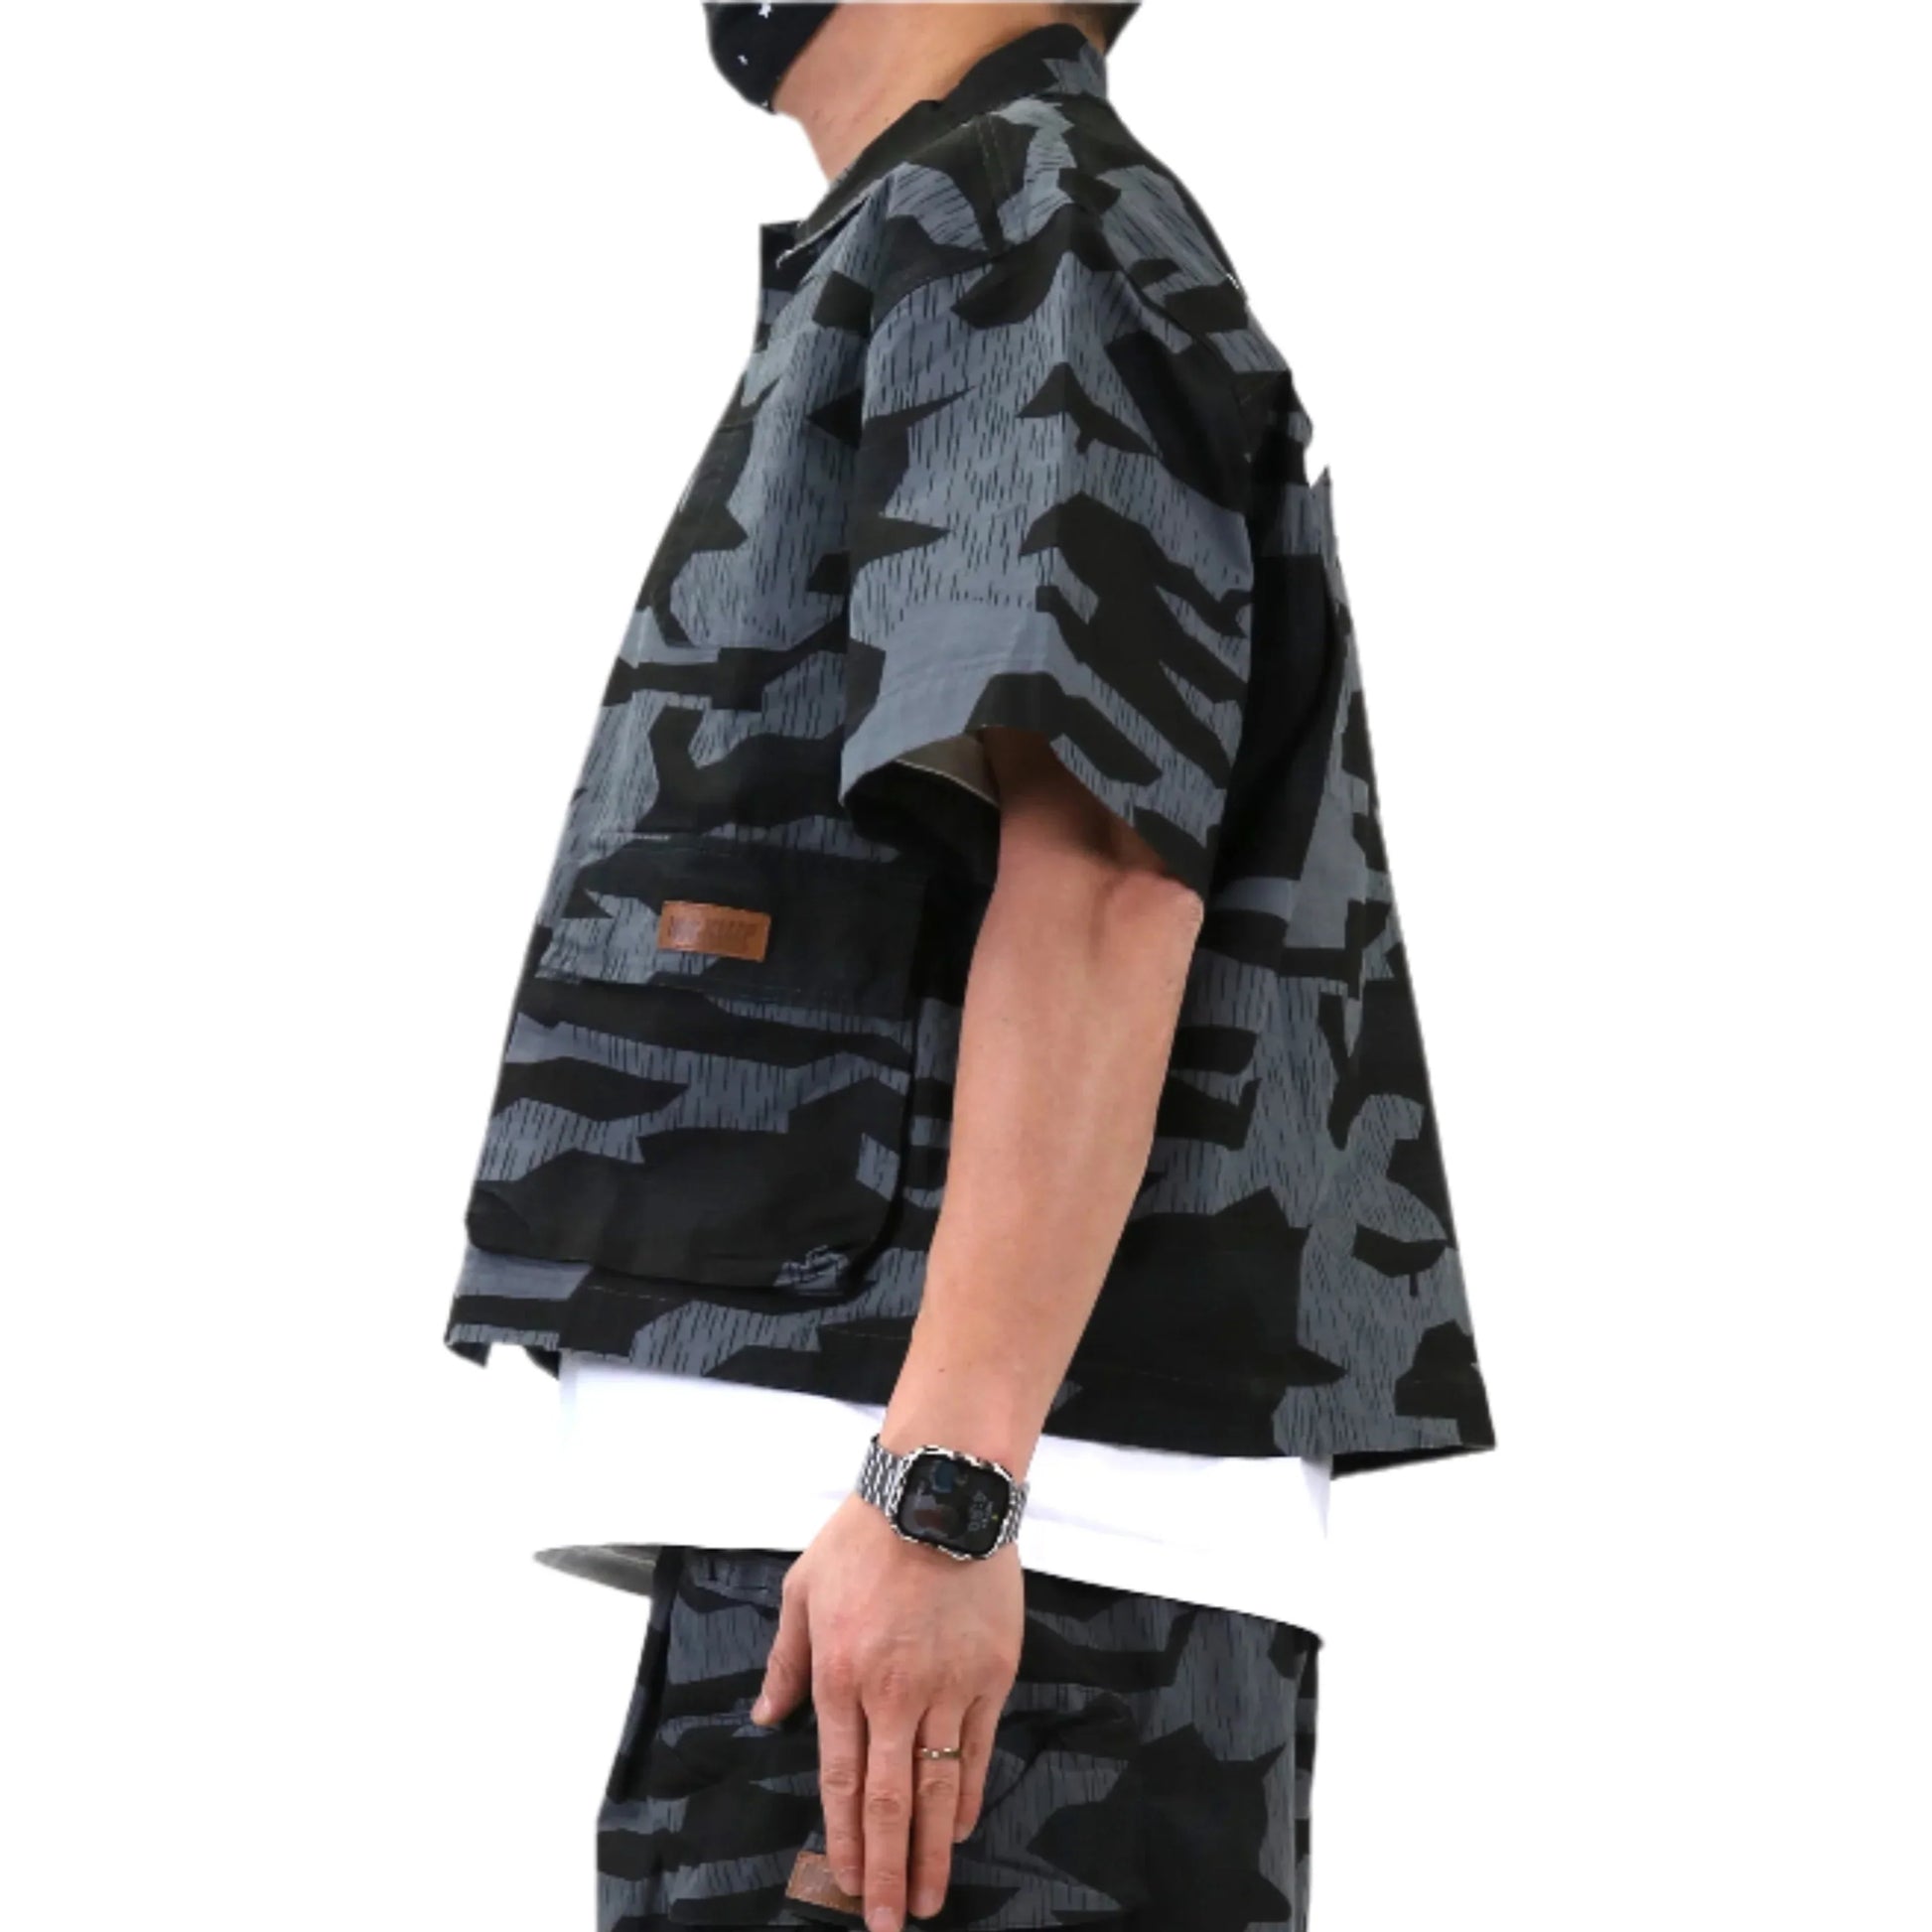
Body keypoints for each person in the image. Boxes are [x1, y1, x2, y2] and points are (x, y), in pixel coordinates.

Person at [442, 6, 1497, 1928]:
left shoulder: (1021, 214)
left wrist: (941, 1497)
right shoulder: (984, 220)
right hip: (934, 1540)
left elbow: (1100, 872)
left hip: (951, 1555)